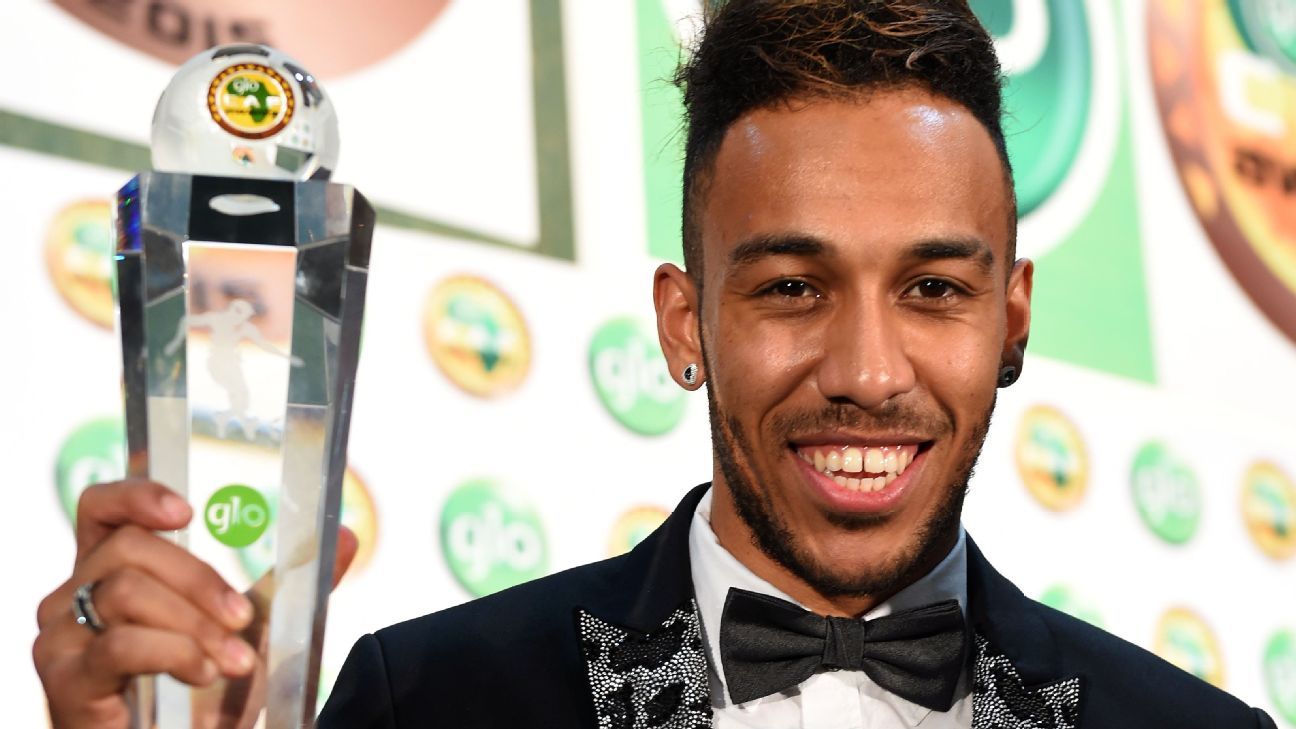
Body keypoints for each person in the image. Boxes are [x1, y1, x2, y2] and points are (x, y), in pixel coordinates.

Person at [34, 1, 1277, 727]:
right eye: (791, 288)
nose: (867, 370)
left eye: (934, 290)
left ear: (1011, 320)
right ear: (685, 324)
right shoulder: (435, 701)